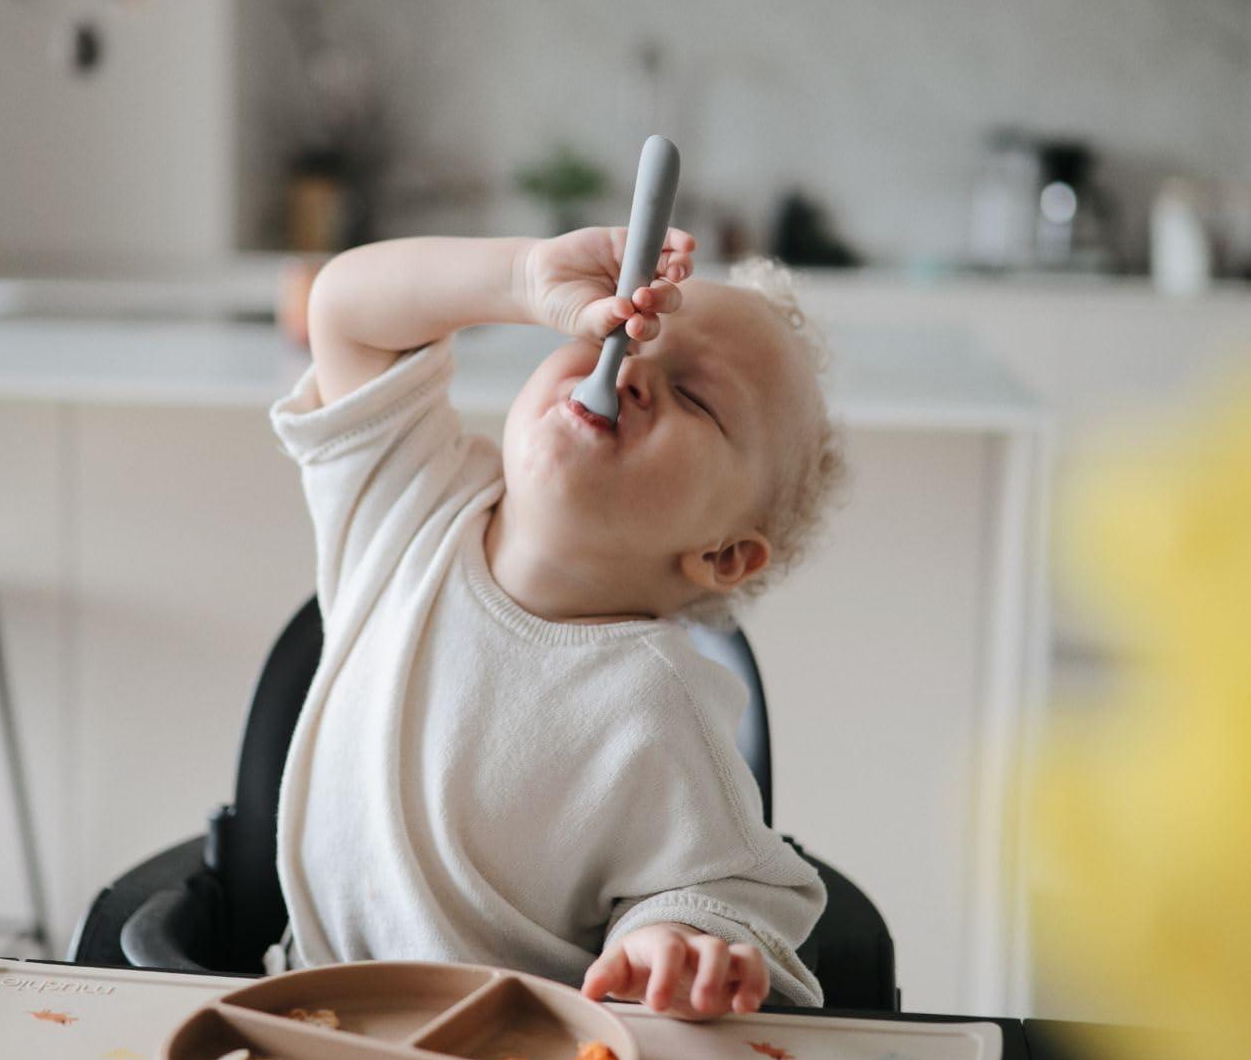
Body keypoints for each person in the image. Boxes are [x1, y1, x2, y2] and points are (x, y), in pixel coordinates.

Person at [264, 226, 844, 1019]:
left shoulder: (662, 707)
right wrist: (518, 276)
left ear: (724, 554)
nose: (631, 370)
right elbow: (343, 309)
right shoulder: (409, 501)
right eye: (619, 334)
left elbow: (732, 891)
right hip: (298, 1013)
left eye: (698, 398)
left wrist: (671, 937)